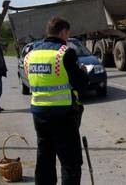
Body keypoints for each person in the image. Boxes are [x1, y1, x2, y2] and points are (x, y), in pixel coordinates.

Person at [24, 17, 89, 185]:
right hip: (63, 115)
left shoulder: (31, 54)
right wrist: (82, 72)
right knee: (70, 163)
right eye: (68, 33)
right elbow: (80, 83)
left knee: (45, 159)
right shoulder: (65, 53)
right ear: (63, 32)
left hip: (39, 113)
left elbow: (31, 79)